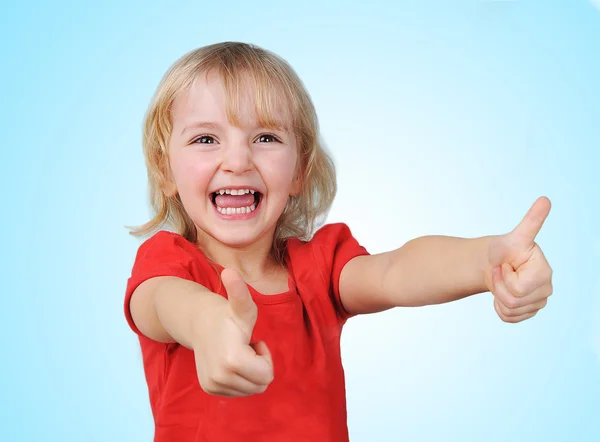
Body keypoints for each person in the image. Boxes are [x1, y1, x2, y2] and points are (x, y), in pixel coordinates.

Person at [124, 41, 553, 442]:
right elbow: (162, 304)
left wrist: (486, 260)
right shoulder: (169, 264)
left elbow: (395, 271)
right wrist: (205, 324)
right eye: (206, 139)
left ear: (299, 170)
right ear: (165, 170)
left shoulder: (320, 269)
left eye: (266, 138)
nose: (237, 161)